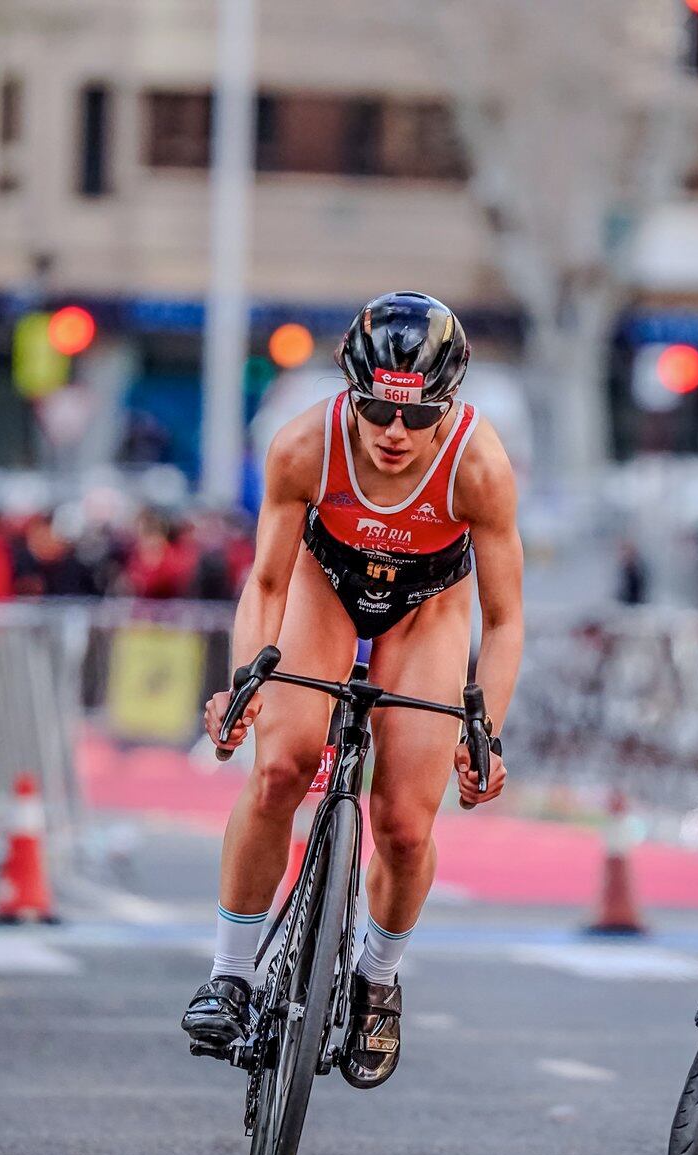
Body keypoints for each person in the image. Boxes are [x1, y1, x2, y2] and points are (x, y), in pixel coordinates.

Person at [183, 292, 524, 1088]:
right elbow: (266, 582)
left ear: (450, 404)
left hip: (429, 609)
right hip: (323, 586)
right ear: (352, 393)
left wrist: (487, 736)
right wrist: (242, 687)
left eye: (418, 416)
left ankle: (378, 976)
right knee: (279, 768)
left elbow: (504, 622)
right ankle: (230, 972)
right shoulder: (304, 445)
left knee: (405, 822)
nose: (395, 433)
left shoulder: (478, 466)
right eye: (377, 410)